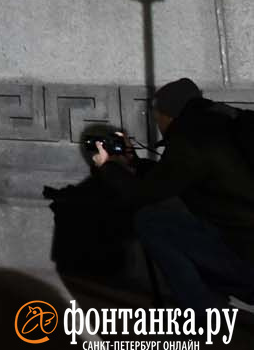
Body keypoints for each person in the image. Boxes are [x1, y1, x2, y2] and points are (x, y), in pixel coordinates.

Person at [92, 77, 254, 308]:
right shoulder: (232, 120)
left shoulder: (190, 142)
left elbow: (140, 195)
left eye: (157, 117)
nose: (158, 124)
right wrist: (136, 164)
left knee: (150, 220)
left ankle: (200, 313)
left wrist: (107, 166)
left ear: (167, 115)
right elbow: (176, 177)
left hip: (246, 258)